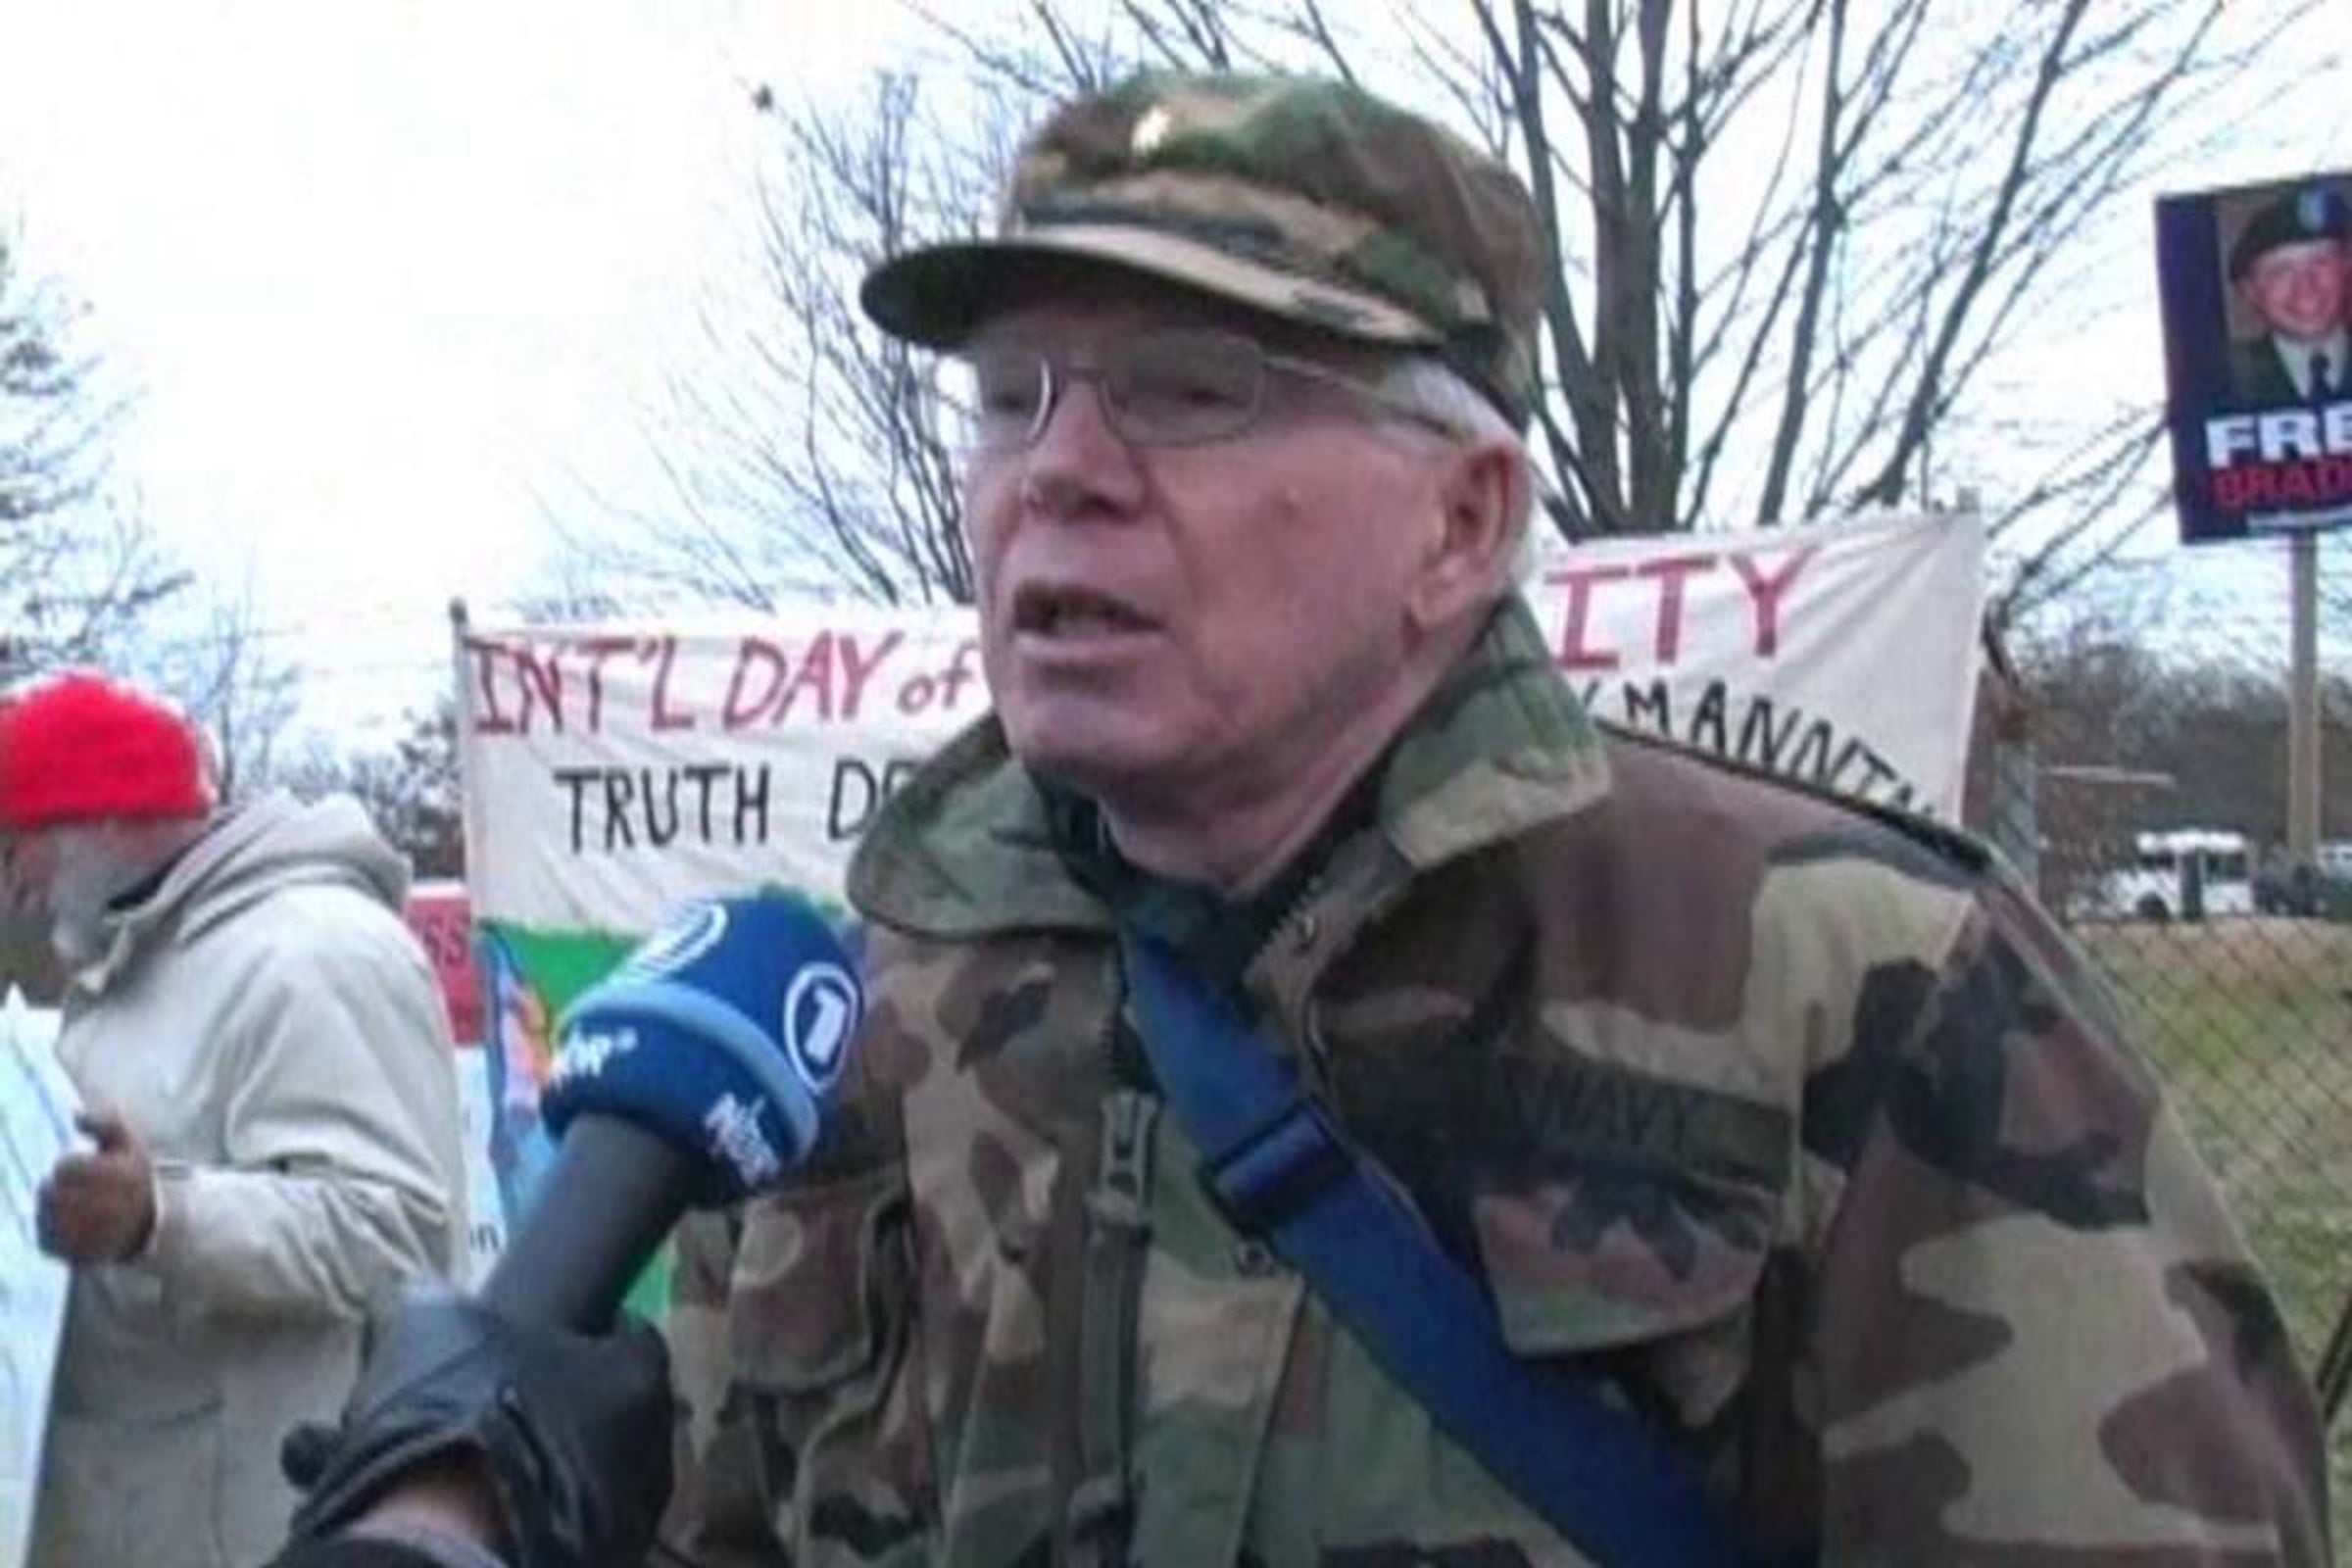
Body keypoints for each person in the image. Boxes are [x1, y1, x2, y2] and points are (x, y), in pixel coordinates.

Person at [273, 71, 2330, 1567]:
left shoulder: (1855, 990)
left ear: (1464, 519)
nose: (1056, 473)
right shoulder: (860, 1023)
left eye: (1192, 389)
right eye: (1010, 395)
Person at [0, 671, 469, 1568]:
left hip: (258, 1529)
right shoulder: (130, 967)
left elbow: (402, 1233)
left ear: (102, 820)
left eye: (19, 845)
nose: (14, 883)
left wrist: (160, 1216)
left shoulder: (315, 957)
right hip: (139, 1516)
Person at [2227, 184, 2352, 405]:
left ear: (2346, 268)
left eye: (2320, 262)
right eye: (2281, 271)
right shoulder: (2220, 384)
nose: (2306, 287)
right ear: (2250, 292)